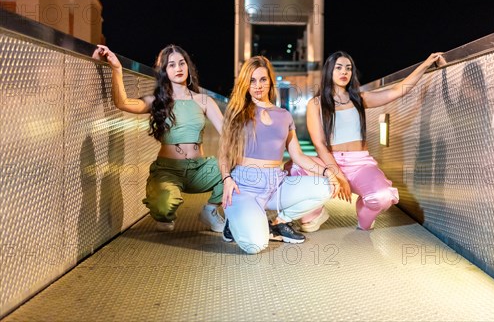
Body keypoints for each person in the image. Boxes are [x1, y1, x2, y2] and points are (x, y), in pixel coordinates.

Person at [287, 50, 445, 232]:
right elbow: (320, 144)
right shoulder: (316, 103)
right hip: (330, 161)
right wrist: (338, 175)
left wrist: (425, 64)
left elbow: (397, 90)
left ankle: (365, 216)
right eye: (338, 68)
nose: (344, 72)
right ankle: (314, 212)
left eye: (348, 68)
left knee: (383, 197)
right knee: (295, 168)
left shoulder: (360, 99)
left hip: (360, 163)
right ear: (329, 71)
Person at [92, 44, 226, 233]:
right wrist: (116, 68)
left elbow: (227, 133)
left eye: (182, 63)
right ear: (164, 71)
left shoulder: (203, 100)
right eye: (171, 65)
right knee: (164, 209)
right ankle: (165, 212)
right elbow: (122, 103)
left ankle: (210, 211)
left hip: (200, 169)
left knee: (238, 171)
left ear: (188, 66)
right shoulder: (157, 101)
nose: (178, 68)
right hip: (168, 170)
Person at [218, 55, 340, 255]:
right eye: (252, 80)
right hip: (244, 186)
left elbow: (299, 156)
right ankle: (234, 220)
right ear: (245, 84)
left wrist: (328, 173)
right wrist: (227, 179)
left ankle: (279, 221)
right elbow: (223, 154)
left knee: (326, 187)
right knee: (255, 245)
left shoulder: (284, 115)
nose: (258, 85)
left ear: (270, 81)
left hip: (276, 184)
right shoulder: (237, 112)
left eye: (263, 79)